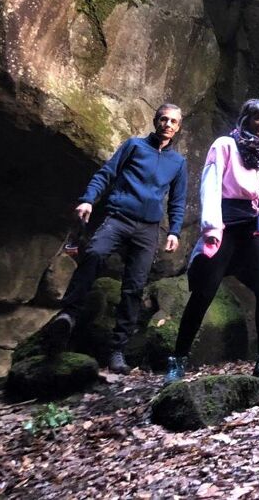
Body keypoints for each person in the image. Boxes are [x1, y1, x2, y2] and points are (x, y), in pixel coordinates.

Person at [47, 103, 188, 374]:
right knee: (95, 253)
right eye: (164, 119)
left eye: (173, 122)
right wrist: (88, 200)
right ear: (156, 121)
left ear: (178, 127)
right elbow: (106, 173)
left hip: (148, 228)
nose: (168, 125)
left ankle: (117, 350)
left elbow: (178, 201)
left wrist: (174, 231)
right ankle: (69, 314)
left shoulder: (178, 163)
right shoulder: (134, 146)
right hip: (119, 217)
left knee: (134, 286)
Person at [164, 99, 259, 384]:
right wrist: (211, 225)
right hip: (227, 221)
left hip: (255, 224)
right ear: (245, 118)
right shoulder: (225, 144)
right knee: (205, 290)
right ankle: (178, 359)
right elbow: (211, 183)